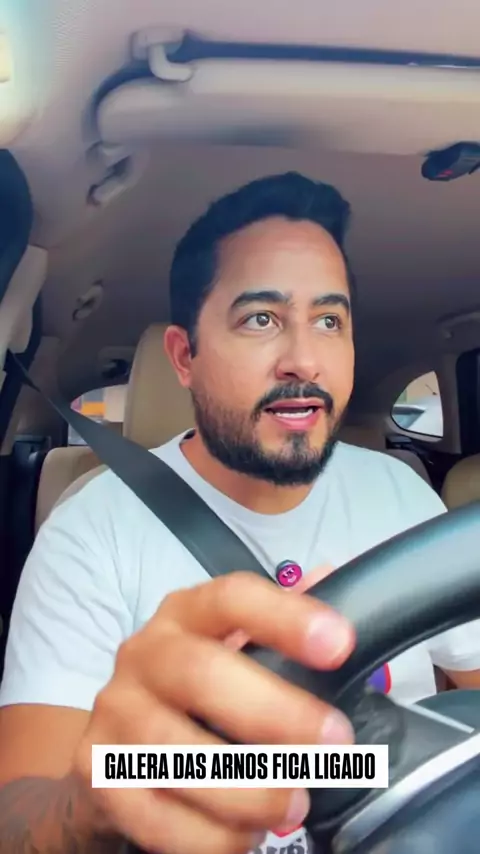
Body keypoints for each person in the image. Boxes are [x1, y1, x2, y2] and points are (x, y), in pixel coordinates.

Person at [0, 171, 479, 854]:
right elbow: (17, 816)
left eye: (329, 321)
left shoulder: (401, 493)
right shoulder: (91, 531)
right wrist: (91, 808)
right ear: (184, 357)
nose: (304, 360)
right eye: (261, 319)